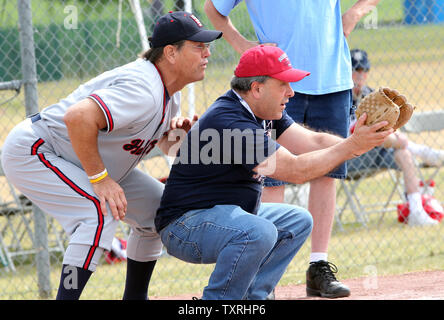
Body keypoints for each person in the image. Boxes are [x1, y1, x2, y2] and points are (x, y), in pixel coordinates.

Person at [0, 11, 222, 300]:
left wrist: (172, 136)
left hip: (82, 158)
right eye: (198, 46)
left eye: (206, 46)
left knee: (159, 211)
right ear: (170, 53)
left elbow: (154, 146)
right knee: (97, 210)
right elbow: (77, 118)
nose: (207, 53)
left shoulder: (169, 92)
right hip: (38, 150)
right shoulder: (144, 88)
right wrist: (100, 179)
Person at [154, 45, 393, 300]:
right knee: (260, 231)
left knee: (297, 221)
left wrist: (364, 141)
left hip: (223, 216)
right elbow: (296, 170)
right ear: (257, 88)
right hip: (186, 226)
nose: (291, 93)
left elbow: (314, 143)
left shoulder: (262, 111)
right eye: (283, 85)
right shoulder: (232, 122)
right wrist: (353, 145)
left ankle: (254, 297)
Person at [204, 0, 381, 298]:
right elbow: (213, 8)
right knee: (273, 173)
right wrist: (242, 43)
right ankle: (263, 272)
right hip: (276, 81)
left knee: (328, 171)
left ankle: (318, 266)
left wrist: (355, 12)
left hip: (332, 78)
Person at [348, 48, 444, 226]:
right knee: (380, 133)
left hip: (377, 151)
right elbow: (350, 133)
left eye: (364, 71)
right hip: (353, 156)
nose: (360, 76)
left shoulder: (371, 94)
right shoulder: (340, 96)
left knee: (404, 154)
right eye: (356, 71)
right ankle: (423, 151)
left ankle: (416, 210)